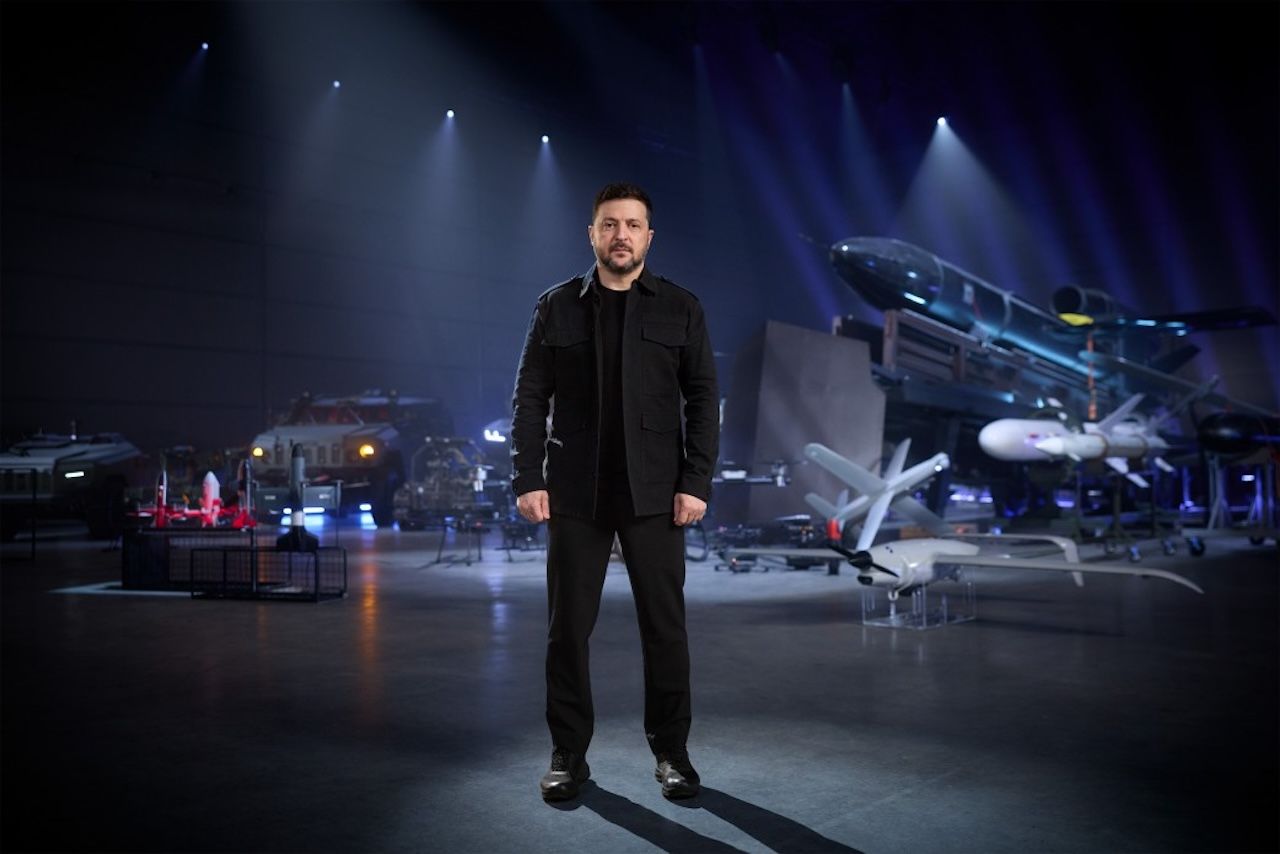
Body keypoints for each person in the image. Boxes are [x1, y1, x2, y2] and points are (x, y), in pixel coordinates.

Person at [510, 183, 719, 801]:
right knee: (566, 630)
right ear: (592, 235)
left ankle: (673, 755)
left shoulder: (681, 308)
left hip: (657, 494)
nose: (621, 234)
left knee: (665, 629)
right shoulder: (555, 307)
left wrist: (696, 481)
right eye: (609, 224)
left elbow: (704, 399)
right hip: (575, 493)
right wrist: (528, 477)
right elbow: (529, 398)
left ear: (648, 236)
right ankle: (568, 755)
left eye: (632, 224)